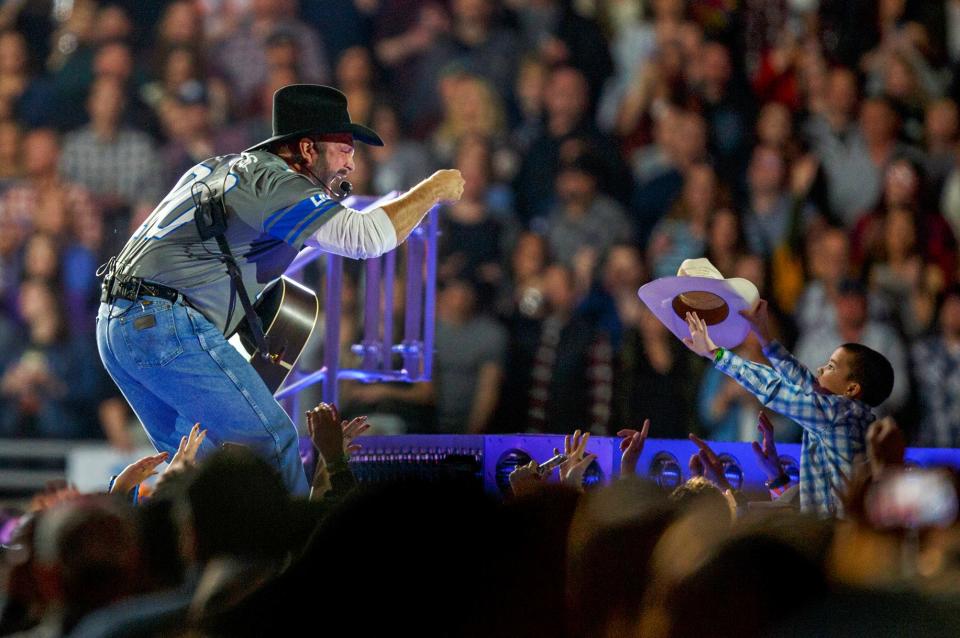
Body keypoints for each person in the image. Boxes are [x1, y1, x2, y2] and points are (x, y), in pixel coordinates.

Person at [96, 84, 464, 495]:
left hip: (120, 327)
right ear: (307, 149)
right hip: (164, 325)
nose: (351, 163)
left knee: (196, 470)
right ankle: (292, 553)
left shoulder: (227, 166)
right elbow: (364, 238)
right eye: (343, 148)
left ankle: (129, 519)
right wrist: (432, 190)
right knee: (273, 443)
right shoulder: (275, 181)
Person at [682, 299, 894, 517]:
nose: (820, 369)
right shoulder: (850, 415)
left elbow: (774, 389)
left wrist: (716, 353)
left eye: (830, 366)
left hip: (832, 533)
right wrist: (765, 337)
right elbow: (803, 380)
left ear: (851, 389)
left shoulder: (836, 413)